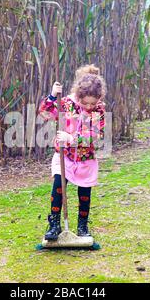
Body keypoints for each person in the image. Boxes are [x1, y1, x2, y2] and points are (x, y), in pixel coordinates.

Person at [37, 64, 107, 240]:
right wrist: (53, 94)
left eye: (93, 102)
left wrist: (72, 138)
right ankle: (54, 224)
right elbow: (45, 113)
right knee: (58, 187)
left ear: (99, 98)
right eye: (85, 102)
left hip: (85, 159)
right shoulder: (67, 103)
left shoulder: (99, 110)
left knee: (84, 193)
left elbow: (96, 135)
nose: (89, 106)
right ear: (78, 96)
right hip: (64, 156)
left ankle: (82, 226)